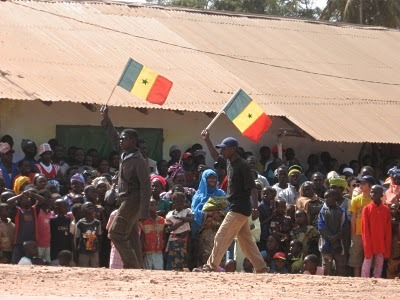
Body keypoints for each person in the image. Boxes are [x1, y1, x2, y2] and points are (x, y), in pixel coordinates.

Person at [202, 136, 268, 273]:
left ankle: (211, 266)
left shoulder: (243, 165)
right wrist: (207, 139)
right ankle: (262, 268)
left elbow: (253, 189)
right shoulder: (229, 162)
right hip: (237, 208)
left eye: (224, 149)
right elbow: (215, 156)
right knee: (246, 243)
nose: (222, 151)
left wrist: (255, 208)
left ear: (233, 149)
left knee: (221, 236)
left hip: (239, 208)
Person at [101, 105, 151, 269]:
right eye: (121, 139)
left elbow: (146, 186)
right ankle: (139, 268)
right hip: (125, 200)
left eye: (125, 139)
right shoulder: (124, 154)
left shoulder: (138, 160)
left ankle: (131, 266)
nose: (121, 141)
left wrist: (144, 211)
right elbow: (113, 136)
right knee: (131, 237)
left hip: (132, 200)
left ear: (133, 141)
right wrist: (106, 118)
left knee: (115, 233)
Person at [361, 185, 392, 278]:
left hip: (381, 242)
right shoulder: (366, 209)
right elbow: (365, 229)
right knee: (367, 261)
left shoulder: (386, 210)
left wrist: (386, 245)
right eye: (372, 192)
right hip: (370, 241)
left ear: (381, 195)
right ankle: (364, 280)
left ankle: (377, 280)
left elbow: (388, 229)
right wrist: (367, 244)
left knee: (379, 263)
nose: (372, 194)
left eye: (375, 192)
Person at [348, 175, 375, 277]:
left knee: (370, 258)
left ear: (370, 186)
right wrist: (353, 234)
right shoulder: (355, 200)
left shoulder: (374, 200)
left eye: (364, 184)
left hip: (370, 235)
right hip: (358, 233)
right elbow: (353, 218)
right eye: (360, 184)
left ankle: (370, 279)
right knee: (356, 258)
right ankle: (357, 279)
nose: (361, 186)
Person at [318, 189, 348, 276]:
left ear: (335, 198)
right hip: (326, 244)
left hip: (339, 244)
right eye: (325, 198)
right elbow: (321, 227)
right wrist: (331, 238)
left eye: (328, 197)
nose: (326, 199)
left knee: (340, 267)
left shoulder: (342, 212)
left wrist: (336, 237)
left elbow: (345, 227)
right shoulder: (323, 212)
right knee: (327, 267)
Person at [191, 169, 226, 238]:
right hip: (203, 230)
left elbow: (227, 208)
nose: (213, 180)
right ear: (204, 179)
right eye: (210, 178)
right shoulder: (198, 196)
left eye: (214, 178)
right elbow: (194, 213)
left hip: (219, 228)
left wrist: (219, 213)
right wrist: (208, 214)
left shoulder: (221, 193)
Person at [165, 192, 193, 270]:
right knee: (173, 259)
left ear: (184, 202)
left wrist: (181, 219)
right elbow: (169, 229)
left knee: (184, 258)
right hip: (173, 240)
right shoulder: (170, 214)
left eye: (181, 201)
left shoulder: (187, 211)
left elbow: (191, 219)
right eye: (177, 201)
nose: (179, 203)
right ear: (173, 202)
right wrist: (182, 221)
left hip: (185, 239)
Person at [140, 199, 166, 270]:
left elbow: (164, 236)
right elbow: (142, 237)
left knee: (159, 271)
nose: (154, 207)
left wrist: (165, 249)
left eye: (155, 205)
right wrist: (141, 250)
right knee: (148, 271)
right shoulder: (143, 222)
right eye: (151, 205)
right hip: (147, 252)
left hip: (159, 251)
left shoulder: (162, 220)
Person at [75, 202, 102, 268]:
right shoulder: (80, 223)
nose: (90, 207)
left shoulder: (97, 223)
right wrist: (76, 250)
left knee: (95, 268)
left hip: (94, 250)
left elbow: (99, 236)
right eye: (88, 206)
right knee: (83, 268)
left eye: (92, 206)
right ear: (83, 210)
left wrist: (99, 248)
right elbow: (77, 238)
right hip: (83, 251)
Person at [50, 199, 71, 264]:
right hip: (56, 250)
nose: (66, 208)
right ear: (57, 208)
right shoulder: (53, 220)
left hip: (66, 248)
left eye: (66, 206)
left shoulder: (68, 219)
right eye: (63, 206)